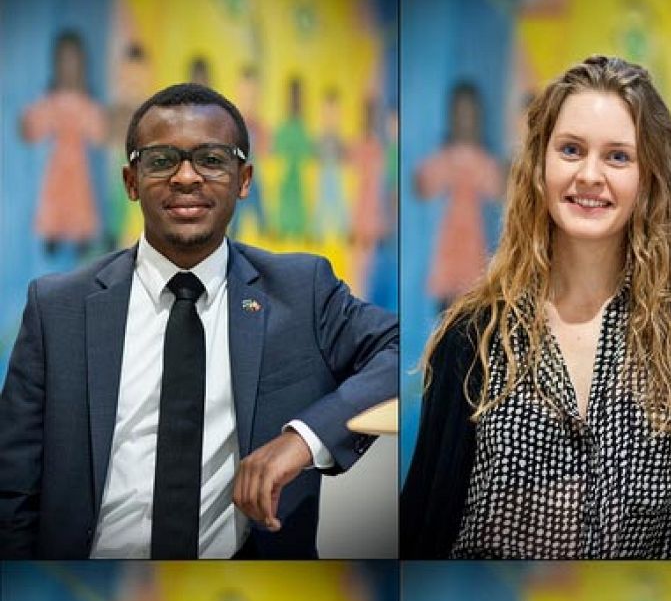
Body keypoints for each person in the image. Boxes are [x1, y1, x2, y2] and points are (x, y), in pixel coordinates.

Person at [401, 56, 671, 559]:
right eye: (571, 150)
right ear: (540, 166)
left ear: (649, 177)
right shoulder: (476, 333)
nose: (589, 175)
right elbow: (421, 525)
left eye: (617, 157)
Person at [0, 82, 397, 561]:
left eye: (211, 159)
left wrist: (303, 439)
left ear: (244, 178)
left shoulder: (301, 290)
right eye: (162, 159)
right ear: (131, 180)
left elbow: (405, 353)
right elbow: (12, 493)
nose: (186, 177)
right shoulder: (56, 308)